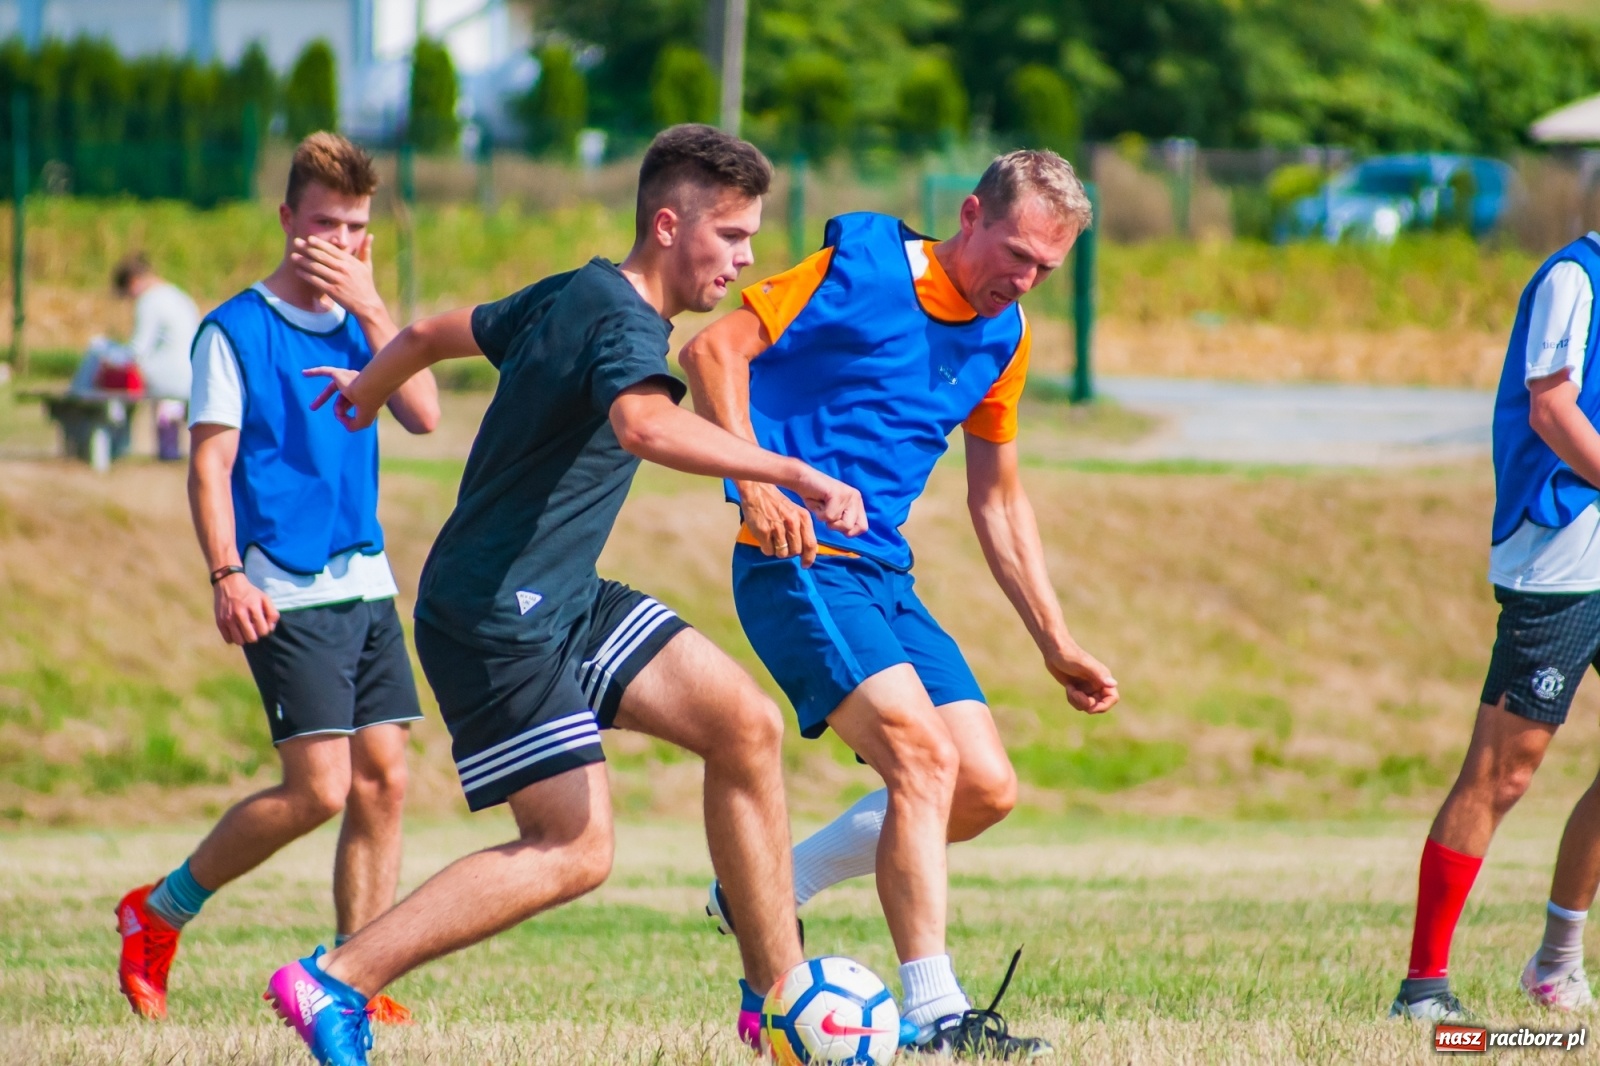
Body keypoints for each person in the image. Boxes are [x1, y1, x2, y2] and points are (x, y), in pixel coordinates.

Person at [263, 124, 866, 1066]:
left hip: (559, 597)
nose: (747, 260)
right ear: (668, 225)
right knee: (574, 847)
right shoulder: (623, 325)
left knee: (744, 725)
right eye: (733, 238)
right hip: (494, 616)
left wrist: (365, 394)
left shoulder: (573, 289)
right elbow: (642, 424)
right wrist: (786, 469)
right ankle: (335, 979)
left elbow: (427, 333)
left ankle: (775, 999)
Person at [680, 149, 1119, 1058]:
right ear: (970, 215)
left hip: (883, 573)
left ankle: (766, 890)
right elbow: (711, 348)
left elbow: (996, 498)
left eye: (1047, 268)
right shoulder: (863, 267)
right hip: (795, 558)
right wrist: (755, 485)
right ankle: (935, 1013)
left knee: (987, 788)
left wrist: (1055, 640)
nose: (1025, 279)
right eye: (1017, 253)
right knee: (920, 761)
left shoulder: (1008, 335)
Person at [114, 132, 440, 1024]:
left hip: (366, 578)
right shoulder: (234, 330)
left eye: (356, 227)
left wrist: (375, 310)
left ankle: (355, 979)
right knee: (321, 790)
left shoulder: (365, 320)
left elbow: (422, 413)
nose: (339, 241)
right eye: (324, 222)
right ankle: (156, 912)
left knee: (385, 780)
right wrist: (225, 572)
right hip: (281, 586)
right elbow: (208, 467)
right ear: (288, 218)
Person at [1391, 228, 1600, 1021]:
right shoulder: (1575, 279)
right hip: (1561, 554)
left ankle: (1556, 964)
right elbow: (1552, 409)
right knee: (1503, 773)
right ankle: (1422, 992)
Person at [114, 252, 201, 460]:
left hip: (168, 375)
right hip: (194, 371)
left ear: (133, 282)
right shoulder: (178, 295)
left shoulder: (149, 301)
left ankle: (116, 444)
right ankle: (168, 446)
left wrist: (109, 357)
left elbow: (137, 349)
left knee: (111, 371)